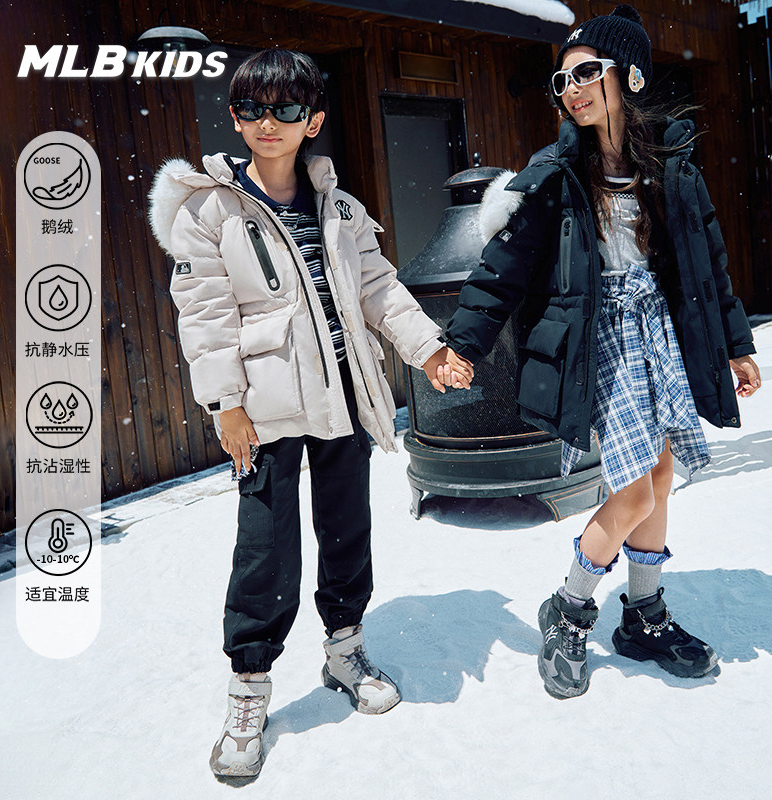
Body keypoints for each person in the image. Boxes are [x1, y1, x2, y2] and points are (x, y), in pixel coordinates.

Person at [148, 48, 471, 776]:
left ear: (312, 121)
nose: (269, 123)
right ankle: (249, 687)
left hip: (344, 398)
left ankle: (345, 648)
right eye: (253, 109)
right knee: (265, 547)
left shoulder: (339, 206)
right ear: (236, 119)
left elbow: (379, 290)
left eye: (286, 109)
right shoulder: (209, 211)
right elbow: (205, 315)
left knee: (346, 527)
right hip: (261, 412)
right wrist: (226, 404)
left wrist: (428, 350)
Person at [441, 5, 761, 699]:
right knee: (634, 489)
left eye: (587, 72)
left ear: (629, 77)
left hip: (658, 336)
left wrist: (736, 344)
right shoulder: (558, 174)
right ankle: (569, 608)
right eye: (563, 80)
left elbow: (706, 263)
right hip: (600, 342)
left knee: (662, 478)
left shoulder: (670, 166)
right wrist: (461, 342)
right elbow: (501, 269)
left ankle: (643, 615)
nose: (572, 89)